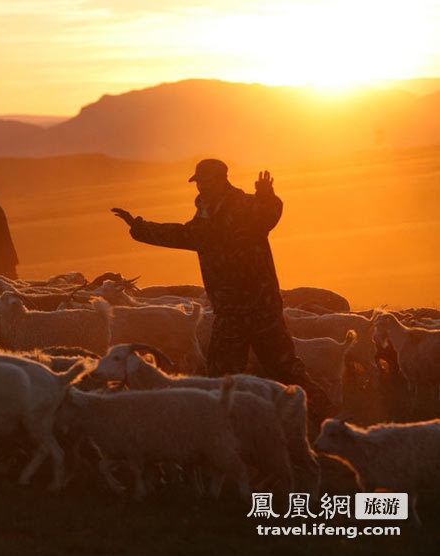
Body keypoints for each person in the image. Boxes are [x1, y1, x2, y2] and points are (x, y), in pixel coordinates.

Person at [111, 158, 334, 421]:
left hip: (256, 306)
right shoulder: (208, 213)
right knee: (226, 375)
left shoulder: (241, 207)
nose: (201, 187)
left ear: (220, 180)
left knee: (279, 370)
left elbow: (267, 215)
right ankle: (228, 427)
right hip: (235, 310)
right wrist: (139, 227)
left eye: (205, 181)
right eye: (198, 183)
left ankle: (328, 420)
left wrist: (267, 195)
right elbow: (184, 235)